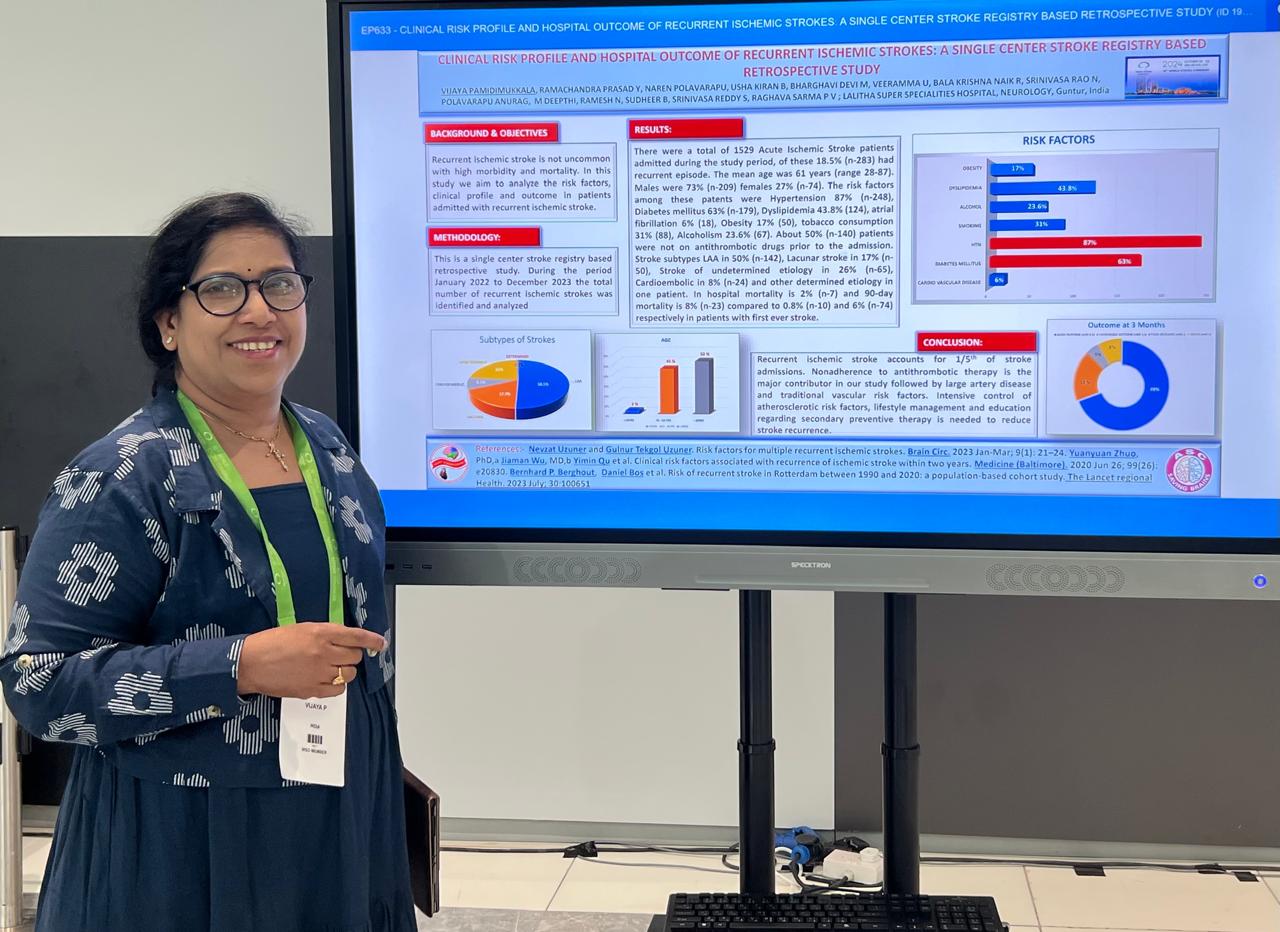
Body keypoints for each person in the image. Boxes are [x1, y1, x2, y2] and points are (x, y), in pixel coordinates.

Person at [0, 193, 416, 931]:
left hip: (338, 818)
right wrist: (237, 666)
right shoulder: (122, 476)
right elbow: (39, 685)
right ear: (169, 322)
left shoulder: (328, 449)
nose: (259, 311)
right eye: (222, 289)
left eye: (279, 284)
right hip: (176, 847)